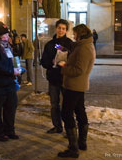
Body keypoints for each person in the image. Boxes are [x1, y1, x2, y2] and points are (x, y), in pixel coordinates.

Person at [57, 24, 95, 158]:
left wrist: (64, 67)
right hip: (78, 85)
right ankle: (81, 143)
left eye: (75, 34)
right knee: (79, 111)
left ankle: (73, 149)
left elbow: (79, 70)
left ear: (80, 34)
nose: (73, 36)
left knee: (66, 113)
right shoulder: (82, 45)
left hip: (74, 85)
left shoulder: (84, 48)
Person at [40, 19, 74, 134]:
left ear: (66, 30)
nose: (61, 30)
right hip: (53, 79)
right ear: (56, 29)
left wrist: (66, 63)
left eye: (63, 28)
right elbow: (43, 62)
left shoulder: (70, 44)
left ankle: (70, 129)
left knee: (68, 105)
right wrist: (52, 63)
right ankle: (57, 126)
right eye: (59, 28)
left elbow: (74, 60)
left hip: (66, 79)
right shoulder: (50, 44)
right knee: (54, 104)